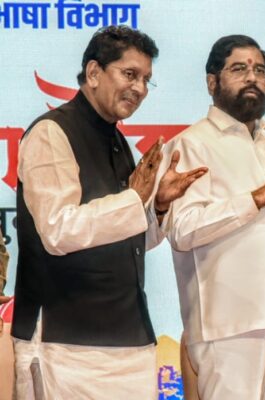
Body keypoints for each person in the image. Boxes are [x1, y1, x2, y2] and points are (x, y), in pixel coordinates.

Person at [12, 25, 207, 399]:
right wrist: (135, 199)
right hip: (66, 343)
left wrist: (159, 207)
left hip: (129, 341)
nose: (140, 88)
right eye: (130, 74)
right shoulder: (51, 133)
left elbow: (122, 236)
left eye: (147, 79)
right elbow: (58, 230)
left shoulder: (118, 140)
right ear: (93, 73)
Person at [163, 34, 265, 399]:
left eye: (260, 70)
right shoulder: (191, 144)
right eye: (239, 69)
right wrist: (256, 199)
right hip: (230, 324)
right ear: (212, 82)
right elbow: (183, 229)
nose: (253, 77)